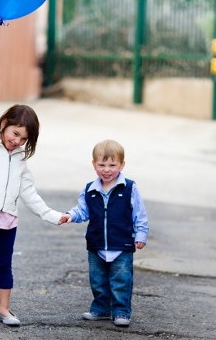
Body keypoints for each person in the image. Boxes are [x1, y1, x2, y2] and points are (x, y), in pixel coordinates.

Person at [0, 104, 65, 327]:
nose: (17, 141)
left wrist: (52, 216)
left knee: (4, 265)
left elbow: (29, 192)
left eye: (24, 139)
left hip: (8, 221)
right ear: (4, 124)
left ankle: (4, 309)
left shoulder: (19, 159)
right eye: (15, 133)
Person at [60, 139, 149, 327]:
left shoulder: (129, 188)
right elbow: (82, 210)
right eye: (101, 165)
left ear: (122, 165)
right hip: (96, 244)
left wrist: (141, 234)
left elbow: (139, 214)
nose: (106, 170)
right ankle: (101, 309)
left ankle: (121, 311)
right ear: (94, 164)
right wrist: (70, 215)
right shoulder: (89, 189)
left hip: (122, 245)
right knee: (98, 280)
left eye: (112, 165)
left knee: (121, 280)